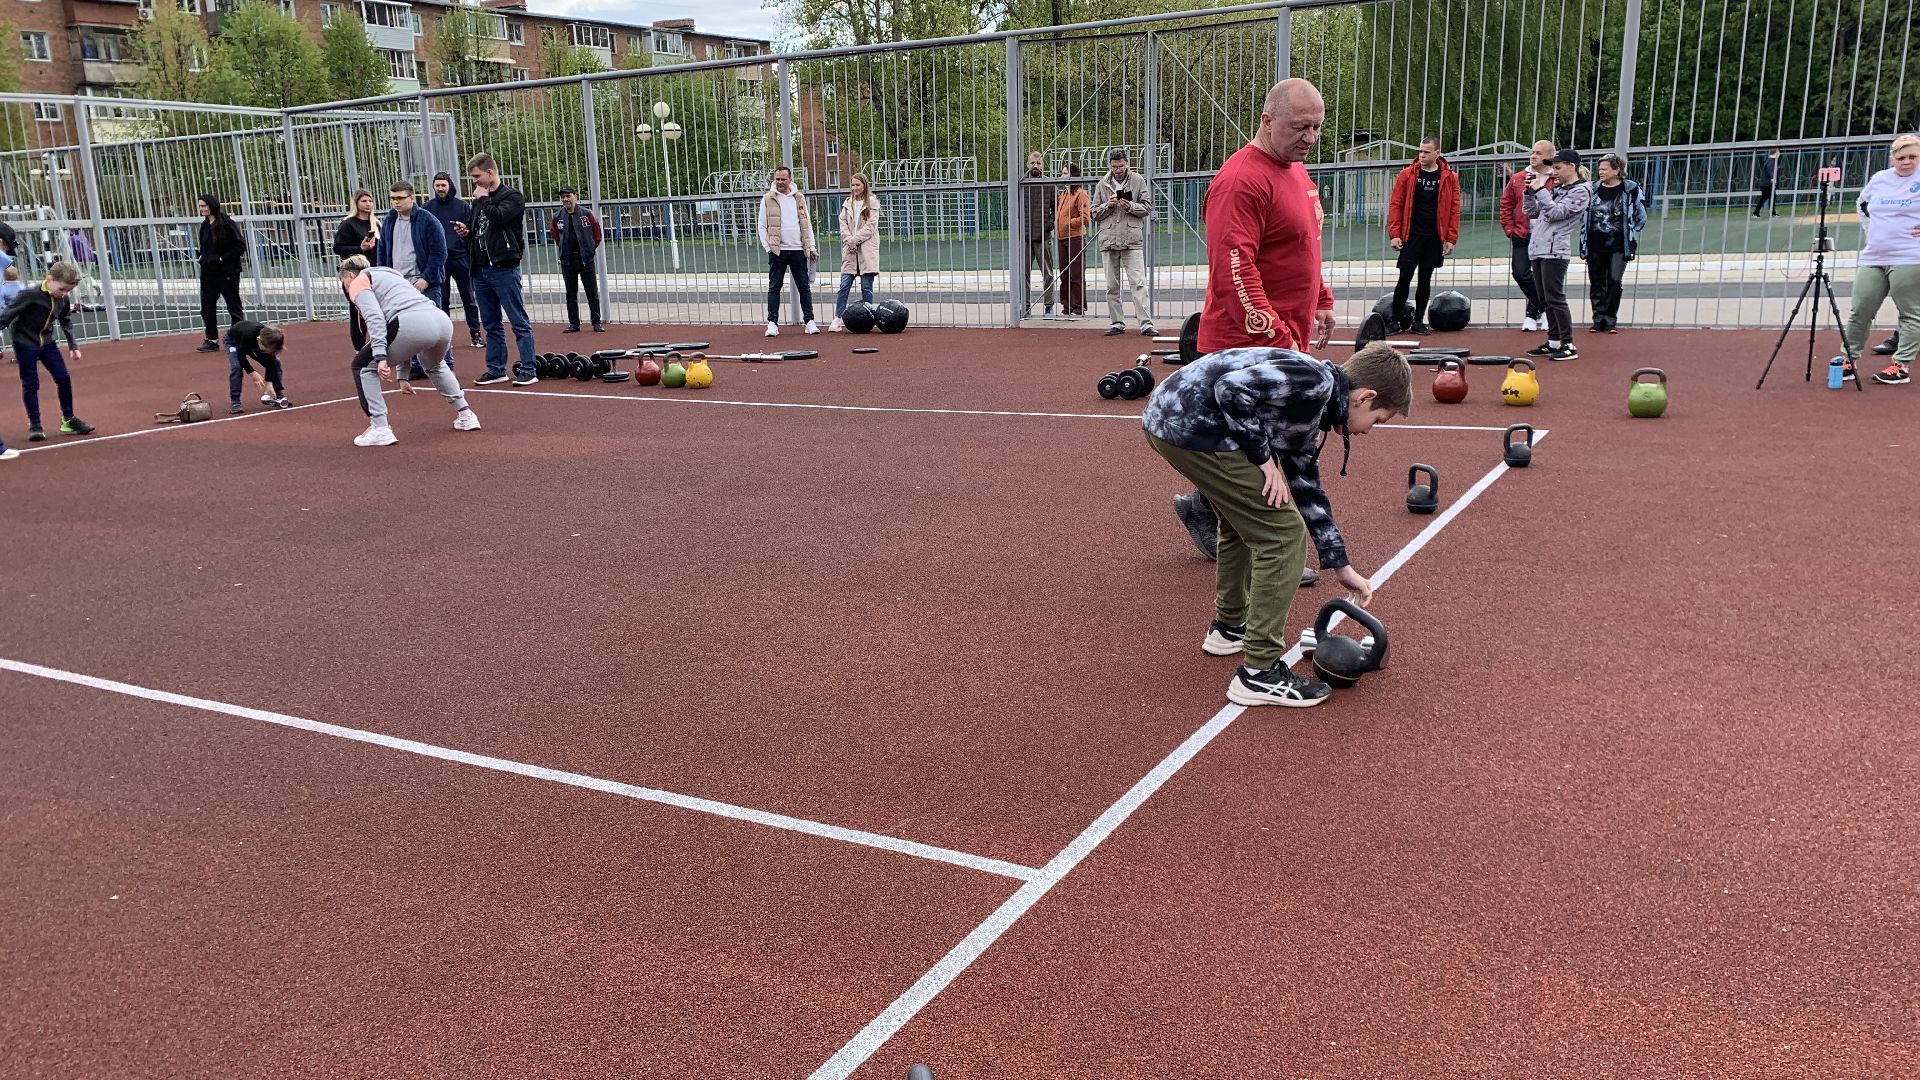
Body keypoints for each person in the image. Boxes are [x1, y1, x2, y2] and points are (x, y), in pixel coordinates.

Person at [1144, 340, 1408, 708]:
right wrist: (1262, 458)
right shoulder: (1314, 381)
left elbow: (1306, 485)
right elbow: (1230, 389)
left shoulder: (1312, 407)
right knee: (1283, 535)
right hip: (1192, 427)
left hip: (1171, 422)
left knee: (1243, 520)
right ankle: (1260, 673)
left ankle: (1229, 627)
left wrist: (1339, 563)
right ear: (1365, 397)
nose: (1369, 431)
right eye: (1378, 419)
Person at [1173, 78, 1337, 590]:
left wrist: (1321, 300)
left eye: (1316, 127)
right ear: (1267, 121)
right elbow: (1236, 271)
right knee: (1269, 450)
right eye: (1299, 127)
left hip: (1284, 335)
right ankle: (1273, 546)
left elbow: (1301, 245)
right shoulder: (1242, 180)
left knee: (1253, 447)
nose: (1310, 137)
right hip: (1245, 345)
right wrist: (1279, 344)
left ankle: (1204, 508)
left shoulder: (1296, 171)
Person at [337, 255, 480, 446]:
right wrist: (403, 376)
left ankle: (380, 428)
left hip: (411, 323)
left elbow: (377, 320)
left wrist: (380, 357)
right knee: (435, 365)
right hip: (440, 321)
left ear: (350, 276)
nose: (346, 288)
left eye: (344, 282)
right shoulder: (392, 275)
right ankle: (466, 414)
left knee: (362, 366)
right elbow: (400, 334)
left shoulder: (359, 282)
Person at [1841, 133, 1920, 386]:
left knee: (1910, 312)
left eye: (1912, 157)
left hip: (1910, 255)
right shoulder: (1879, 179)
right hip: (1874, 255)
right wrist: (1870, 232)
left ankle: (1901, 366)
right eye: (1901, 157)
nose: (1906, 162)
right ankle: (1849, 360)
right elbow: (1862, 204)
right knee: (1860, 309)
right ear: (1892, 158)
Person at [457, 153, 540, 387]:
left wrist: (484, 200)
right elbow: (480, 229)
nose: (474, 182)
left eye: (477, 177)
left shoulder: (511, 196)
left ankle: (528, 368)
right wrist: (467, 233)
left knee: (518, 321)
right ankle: (496, 369)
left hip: (504, 268)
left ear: (490, 173)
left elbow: (499, 217)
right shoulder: (479, 200)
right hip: (481, 269)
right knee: (491, 323)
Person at [0, 262, 95, 441]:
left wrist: (73, 345)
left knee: (63, 378)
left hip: (47, 342)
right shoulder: (29, 295)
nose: (63, 294)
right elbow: (7, 316)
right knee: (31, 383)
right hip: (24, 342)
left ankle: (68, 420)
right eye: (61, 289)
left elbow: (65, 319)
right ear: (49, 279)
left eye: (68, 291)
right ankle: (35, 424)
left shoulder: (62, 299)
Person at [374, 180, 451, 380]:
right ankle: (415, 365)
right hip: (398, 282)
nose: (396, 203)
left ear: (412, 198)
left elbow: (439, 252)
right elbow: (383, 250)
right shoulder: (390, 221)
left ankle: (445, 362)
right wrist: (384, 276)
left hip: (423, 280)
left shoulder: (427, 220)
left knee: (435, 325)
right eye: (392, 198)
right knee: (406, 325)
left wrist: (427, 278)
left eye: (400, 198)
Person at [1385, 136, 1461, 335]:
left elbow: (1454, 209)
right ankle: (1394, 321)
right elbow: (1396, 204)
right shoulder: (1407, 175)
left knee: (1425, 277)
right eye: (1420, 151)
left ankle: (1418, 321)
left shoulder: (1449, 177)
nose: (1422, 155)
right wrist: (1395, 233)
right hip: (1411, 235)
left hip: (1434, 236)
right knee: (1404, 277)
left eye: (1427, 152)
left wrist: (1450, 238)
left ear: (1437, 153)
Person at [1523, 149, 1592, 361]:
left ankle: (1568, 343)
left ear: (1572, 166)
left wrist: (1541, 189)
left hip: (1555, 250)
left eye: (1558, 167)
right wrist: (1529, 193)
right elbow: (1532, 212)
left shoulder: (1581, 191)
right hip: (1539, 248)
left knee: (1555, 298)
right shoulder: (1559, 189)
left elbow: (1556, 213)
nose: (1555, 172)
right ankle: (1553, 341)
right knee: (1544, 299)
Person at [1581, 153, 1647, 333]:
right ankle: (1598, 319)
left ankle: (1610, 320)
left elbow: (1641, 215)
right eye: (1599, 169)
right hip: (1595, 243)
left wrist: (1630, 231)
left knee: (1614, 280)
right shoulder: (1592, 189)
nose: (1600, 172)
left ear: (1617, 170)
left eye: (1604, 168)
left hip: (1619, 245)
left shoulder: (1630, 189)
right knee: (1596, 281)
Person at [1094, 149, 1155, 337]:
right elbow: (1094, 213)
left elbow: (1147, 207)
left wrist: (1131, 206)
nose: (1118, 170)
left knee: (1138, 283)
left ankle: (1146, 323)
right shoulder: (1102, 185)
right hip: (1109, 239)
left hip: (1132, 239)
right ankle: (1117, 322)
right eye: (1114, 167)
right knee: (1112, 285)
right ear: (1109, 165)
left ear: (1127, 163)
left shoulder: (1138, 181)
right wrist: (1109, 205)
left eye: (1121, 166)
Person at [758, 166, 819, 337]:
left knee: (804, 287)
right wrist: (768, 247)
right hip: (778, 251)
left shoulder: (799, 198)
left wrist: (811, 246)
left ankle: (809, 321)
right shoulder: (767, 199)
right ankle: (772, 323)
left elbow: (807, 225)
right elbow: (762, 226)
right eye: (777, 179)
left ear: (790, 180)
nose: (780, 182)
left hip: (798, 250)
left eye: (783, 179)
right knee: (774, 287)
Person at [423, 172, 483, 348]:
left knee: (469, 298)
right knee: (442, 300)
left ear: (449, 186)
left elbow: (472, 230)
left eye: (443, 185)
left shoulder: (462, 206)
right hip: (440, 261)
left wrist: (466, 233)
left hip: (461, 258)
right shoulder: (427, 207)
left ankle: (476, 334)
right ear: (433, 187)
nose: (441, 189)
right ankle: (444, 338)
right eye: (437, 185)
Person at [1499, 141, 1554, 332]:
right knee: (1520, 272)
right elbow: (1506, 205)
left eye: (1539, 153)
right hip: (1522, 233)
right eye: (1532, 152)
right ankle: (1544, 307)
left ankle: (1533, 314)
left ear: (1548, 157)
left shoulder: (1556, 179)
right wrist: (1509, 229)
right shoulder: (1518, 178)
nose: (1533, 156)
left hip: (1546, 235)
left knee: (1542, 277)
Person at [194, 194, 247, 353]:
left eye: (204, 206)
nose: (202, 209)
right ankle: (211, 339)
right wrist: (202, 256)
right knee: (207, 306)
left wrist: (223, 258)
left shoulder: (226, 223)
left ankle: (237, 338)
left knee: (233, 305)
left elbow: (240, 246)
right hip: (209, 273)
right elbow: (205, 246)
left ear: (212, 205)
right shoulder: (204, 226)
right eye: (200, 206)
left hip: (227, 272)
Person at [829, 172, 880, 332]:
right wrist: (848, 240)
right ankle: (837, 318)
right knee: (844, 285)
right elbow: (842, 222)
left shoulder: (872, 203)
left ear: (864, 185)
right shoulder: (847, 203)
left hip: (866, 249)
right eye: (853, 185)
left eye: (858, 185)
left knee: (866, 286)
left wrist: (855, 239)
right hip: (850, 250)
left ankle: (869, 317)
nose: (855, 188)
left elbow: (870, 226)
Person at [550, 186, 604, 334]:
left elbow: (597, 234)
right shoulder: (557, 217)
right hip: (568, 260)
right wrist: (564, 251)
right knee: (571, 293)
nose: (565, 199)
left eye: (568, 196)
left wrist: (590, 249)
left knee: (592, 292)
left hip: (586, 259)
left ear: (575, 196)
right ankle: (574, 323)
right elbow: (556, 236)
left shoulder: (587, 214)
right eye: (563, 197)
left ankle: (596, 322)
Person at [334, 191, 380, 354]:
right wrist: (360, 248)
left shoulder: (376, 223)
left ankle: (379, 345)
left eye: (370, 201)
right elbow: (337, 248)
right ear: (356, 203)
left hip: (374, 272)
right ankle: (359, 349)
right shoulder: (348, 224)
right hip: (355, 273)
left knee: (377, 310)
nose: (368, 204)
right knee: (358, 311)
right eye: (364, 201)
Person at [223, 319, 291, 413]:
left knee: (276, 362)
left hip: (251, 343)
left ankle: (278, 395)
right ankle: (235, 402)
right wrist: (252, 372)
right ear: (259, 340)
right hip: (234, 342)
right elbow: (241, 356)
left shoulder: (269, 338)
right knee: (236, 367)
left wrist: (269, 382)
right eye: (266, 350)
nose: (267, 353)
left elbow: (271, 360)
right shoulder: (248, 335)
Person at [1021, 150, 1056, 318]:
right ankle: (1025, 306)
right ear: (1027, 164)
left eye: (1039, 163)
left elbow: (1056, 208)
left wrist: (1048, 225)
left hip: (1043, 236)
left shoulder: (1048, 184)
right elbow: (1013, 207)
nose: (1035, 166)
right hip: (1025, 237)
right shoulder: (1020, 183)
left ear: (1043, 164)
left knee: (1048, 273)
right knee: (1024, 274)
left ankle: (1049, 306)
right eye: (1032, 163)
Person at [1055, 162, 1090, 317]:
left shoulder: (1080, 193)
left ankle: (1078, 306)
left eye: (1065, 173)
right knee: (1064, 273)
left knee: (1076, 273)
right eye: (1062, 173)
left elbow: (1085, 217)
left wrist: (1069, 223)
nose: (1062, 176)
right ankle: (1066, 305)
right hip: (1062, 237)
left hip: (1076, 237)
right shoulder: (1063, 194)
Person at [1753, 149, 1781, 217]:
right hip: (1767, 184)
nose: (1779, 154)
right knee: (1764, 198)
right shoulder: (1771, 161)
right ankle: (1755, 213)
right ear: (1775, 153)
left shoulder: (1770, 160)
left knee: (1772, 198)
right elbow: (1770, 170)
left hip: (1767, 184)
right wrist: (1773, 178)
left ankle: (1772, 213)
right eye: (1778, 153)